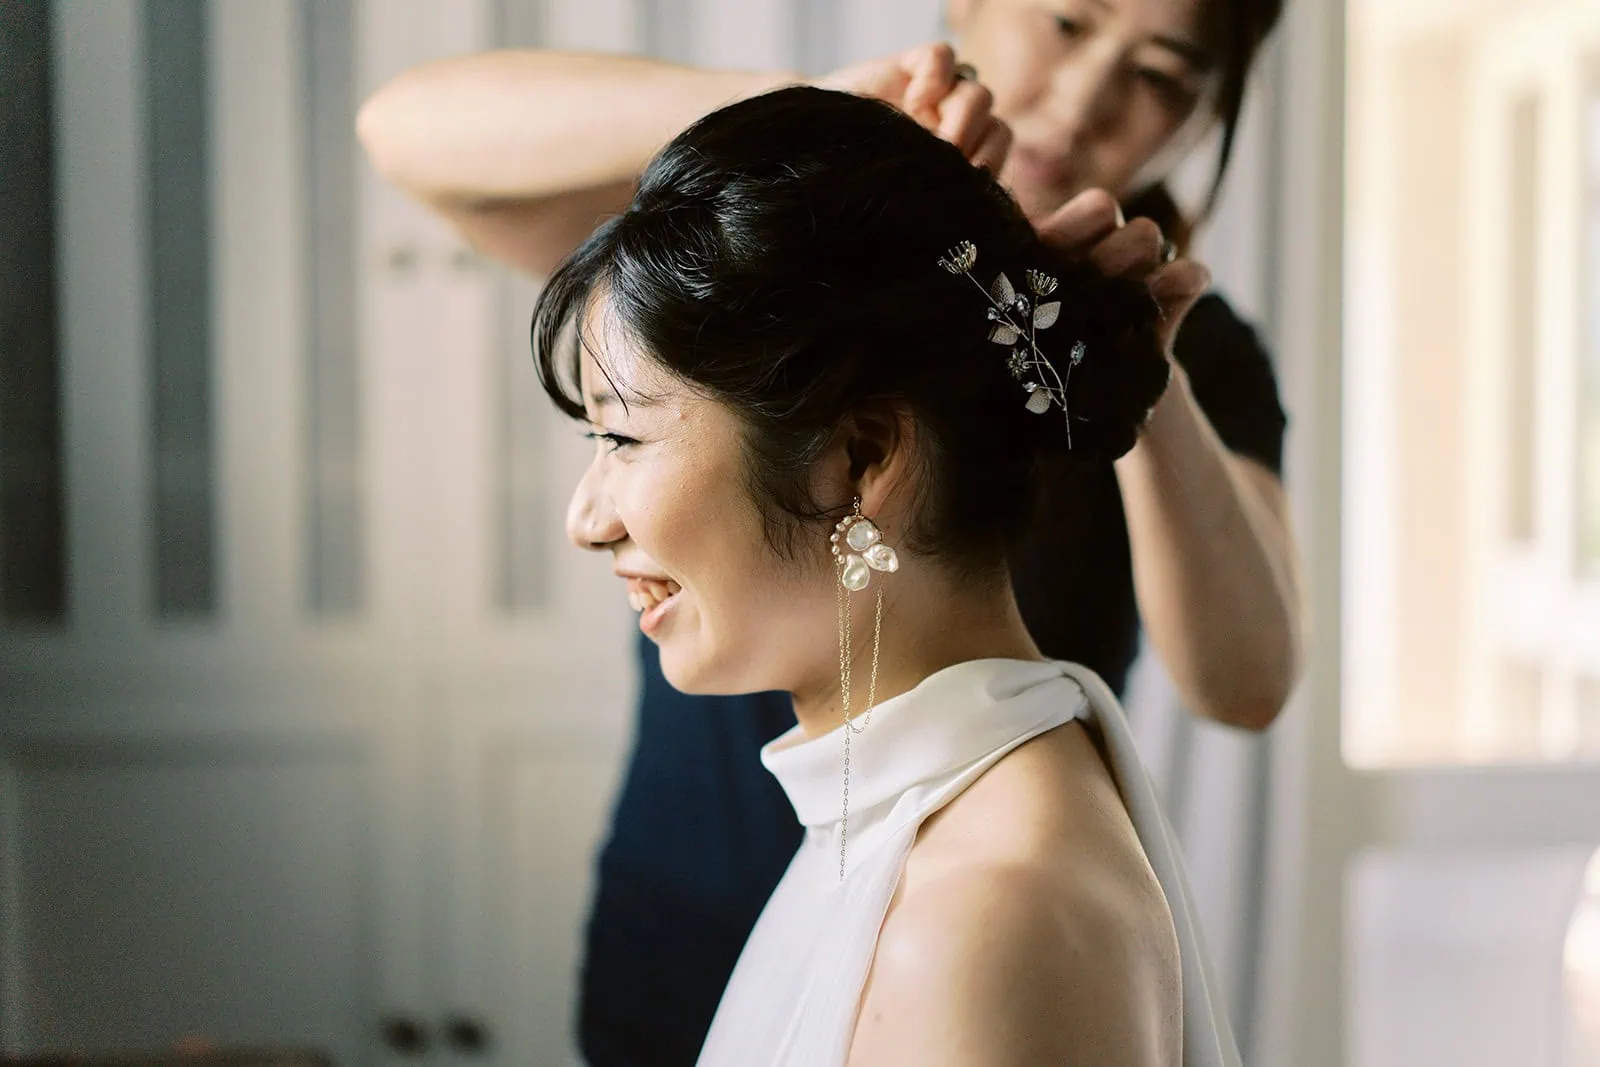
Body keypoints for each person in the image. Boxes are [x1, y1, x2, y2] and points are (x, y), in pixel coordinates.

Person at [357, 2, 1303, 1062]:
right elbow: (406, 129)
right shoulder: (778, 247)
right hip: (710, 905)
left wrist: (1130, 360)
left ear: (862, 458)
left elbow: (1247, 674)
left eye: (1166, 76)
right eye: (1068, 23)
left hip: (959, 920)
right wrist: (807, 121)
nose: (1083, 101)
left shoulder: (998, 905)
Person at [535, 84, 1240, 1065]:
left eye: (623, 434)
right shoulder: (911, 817)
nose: (585, 518)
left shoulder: (980, 922)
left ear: (861, 456)